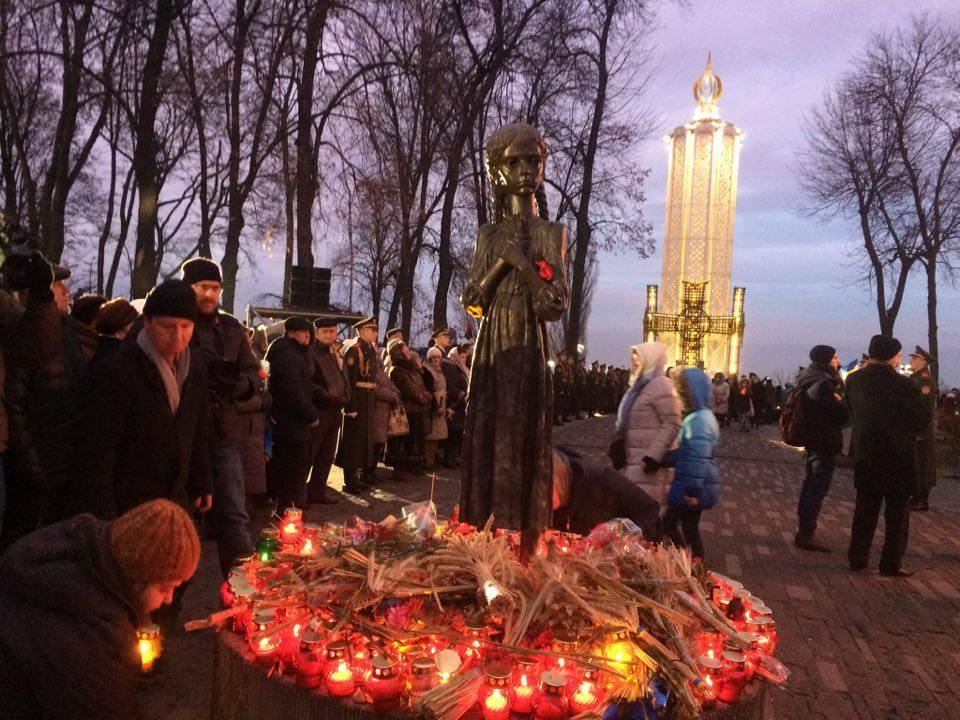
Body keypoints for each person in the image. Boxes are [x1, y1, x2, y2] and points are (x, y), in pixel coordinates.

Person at [459, 123, 569, 560]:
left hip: (527, 340)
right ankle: (481, 532)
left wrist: (523, 265)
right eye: (514, 162)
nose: (525, 170)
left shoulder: (552, 233)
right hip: (492, 346)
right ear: (498, 172)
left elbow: (554, 304)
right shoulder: (488, 235)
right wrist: (497, 267)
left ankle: (521, 540)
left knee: (522, 433)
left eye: (533, 161)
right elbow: (472, 300)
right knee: (488, 431)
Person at [0, 499, 200, 719]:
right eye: (165, 588)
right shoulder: (98, 642)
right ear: (138, 576)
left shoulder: (67, 550)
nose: (170, 599)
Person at [76, 280, 212, 520]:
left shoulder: (194, 366)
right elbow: (99, 452)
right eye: (168, 326)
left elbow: (197, 424)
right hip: (131, 501)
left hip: (177, 498)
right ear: (147, 322)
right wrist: (104, 517)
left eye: (186, 326)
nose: (177, 336)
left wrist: (201, 479)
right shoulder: (119, 369)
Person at [179, 257, 261, 575]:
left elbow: (252, 371)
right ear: (190, 288)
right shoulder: (176, 321)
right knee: (181, 521)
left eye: (215, 288)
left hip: (224, 433)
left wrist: (240, 385)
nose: (210, 295)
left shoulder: (230, 329)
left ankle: (240, 597)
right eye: (203, 287)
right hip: (182, 437)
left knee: (235, 518)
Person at [2, 252, 84, 544]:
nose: (66, 291)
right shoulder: (25, 337)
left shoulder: (67, 333)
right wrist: (32, 466)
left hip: (63, 463)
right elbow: (15, 405)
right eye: (58, 285)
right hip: (39, 470)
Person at [846, 335, 933, 577]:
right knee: (896, 514)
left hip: (866, 454)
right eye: (897, 354)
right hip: (896, 457)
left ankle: (858, 556)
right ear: (889, 356)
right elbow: (921, 419)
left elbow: (851, 411)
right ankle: (890, 562)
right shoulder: (903, 385)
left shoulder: (854, 380)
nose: (900, 359)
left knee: (865, 508)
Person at [659, 367, 720, 561]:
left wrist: (692, 490)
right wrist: (665, 460)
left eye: (680, 391)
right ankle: (695, 564)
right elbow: (688, 452)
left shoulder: (697, 420)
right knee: (689, 527)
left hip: (691, 484)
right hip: (695, 481)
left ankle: (686, 560)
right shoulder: (701, 415)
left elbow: (697, 456)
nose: (676, 395)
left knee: (668, 524)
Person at [794, 345, 850, 552]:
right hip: (823, 442)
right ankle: (806, 533)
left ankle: (804, 530)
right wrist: (840, 401)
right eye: (835, 357)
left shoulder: (808, 377)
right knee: (816, 489)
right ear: (826, 360)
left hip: (813, 440)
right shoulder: (822, 384)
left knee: (810, 485)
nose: (838, 360)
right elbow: (842, 416)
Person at [614, 342, 681, 501]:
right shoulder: (640, 386)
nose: (634, 361)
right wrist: (620, 443)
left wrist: (654, 456)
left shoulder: (661, 384)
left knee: (646, 513)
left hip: (648, 467)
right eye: (633, 357)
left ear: (651, 359)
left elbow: (672, 423)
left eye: (638, 357)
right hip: (634, 460)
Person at [265, 316, 320, 510]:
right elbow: (294, 391)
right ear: (291, 333)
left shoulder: (292, 353)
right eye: (303, 332)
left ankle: (287, 510)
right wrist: (311, 414)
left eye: (309, 332)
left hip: (289, 423)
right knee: (293, 471)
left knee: (289, 470)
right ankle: (288, 514)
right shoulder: (289, 356)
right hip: (291, 424)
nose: (308, 335)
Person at [551, 447, 660, 540]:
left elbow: (650, 511)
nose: (539, 506)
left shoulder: (603, 479)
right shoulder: (544, 509)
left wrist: (619, 533)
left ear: (557, 479)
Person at [307, 317, 349, 505]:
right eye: (325, 331)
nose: (329, 335)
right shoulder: (312, 353)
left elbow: (340, 377)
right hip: (320, 409)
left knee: (326, 454)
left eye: (332, 331)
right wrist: (328, 397)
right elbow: (310, 383)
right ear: (317, 333)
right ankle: (301, 492)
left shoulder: (334, 353)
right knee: (311, 452)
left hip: (334, 410)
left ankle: (318, 490)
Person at [336, 316, 380, 493]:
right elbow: (349, 380)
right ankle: (349, 480)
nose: (375, 333)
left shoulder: (369, 348)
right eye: (372, 330)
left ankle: (358, 476)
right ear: (362, 331)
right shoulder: (354, 350)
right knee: (354, 440)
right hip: (358, 398)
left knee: (364, 440)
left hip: (367, 397)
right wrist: (350, 406)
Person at [388, 339, 432, 481]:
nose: (409, 354)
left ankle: (415, 466)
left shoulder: (411, 368)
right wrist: (426, 398)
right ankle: (404, 468)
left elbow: (421, 385)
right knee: (407, 441)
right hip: (409, 410)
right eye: (405, 352)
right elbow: (410, 390)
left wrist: (426, 395)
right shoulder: (396, 371)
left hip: (418, 409)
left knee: (417, 439)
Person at [907, 346, 937, 511]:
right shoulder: (916, 377)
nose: (911, 360)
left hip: (921, 431)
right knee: (917, 463)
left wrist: (919, 430)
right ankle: (915, 495)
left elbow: (925, 408)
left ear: (923, 361)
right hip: (915, 429)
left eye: (914, 358)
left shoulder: (924, 379)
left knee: (922, 464)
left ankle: (921, 499)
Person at [442, 344, 470, 468]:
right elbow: (450, 386)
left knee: (458, 433)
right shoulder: (451, 367)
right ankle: (449, 458)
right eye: (461, 357)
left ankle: (455, 457)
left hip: (461, 406)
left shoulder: (463, 369)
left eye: (465, 357)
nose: (463, 359)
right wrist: (461, 395)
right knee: (452, 433)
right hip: (454, 404)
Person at [422, 346, 449, 471]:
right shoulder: (428, 371)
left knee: (437, 437)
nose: (436, 359)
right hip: (434, 405)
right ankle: (428, 462)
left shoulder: (440, 371)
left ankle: (431, 460)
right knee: (430, 437)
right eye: (434, 357)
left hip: (441, 404)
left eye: (438, 357)